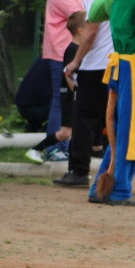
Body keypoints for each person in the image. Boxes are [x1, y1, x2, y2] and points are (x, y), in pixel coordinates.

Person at [56, 0, 115, 188]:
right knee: (110, 120)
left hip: (94, 65)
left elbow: (91, 31)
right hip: (116, 65)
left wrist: (76, 61)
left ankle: (79, 171)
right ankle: (112, 171)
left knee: (82, 118)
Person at [40, 0, 87, 154]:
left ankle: (64, 145)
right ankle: (52, 148)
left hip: (72, 52)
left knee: (69, 100)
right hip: (60, 52)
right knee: (60, 101)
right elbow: (80, 16)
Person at [25, 11, 85, 163]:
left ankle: (75, 164)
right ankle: (36, 149)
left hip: (73, 96)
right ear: (81, 30)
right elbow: (68, 74)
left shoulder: (79, 49)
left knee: (75, 131)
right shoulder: (73, 49)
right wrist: (77, 94)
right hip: (69, 97)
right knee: (65, 132)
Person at [15, 56, 53, 132]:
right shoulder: (62, 60)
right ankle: (51, 130)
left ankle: (32, 128)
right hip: (39, 108)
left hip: (20, 105)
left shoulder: (45, 56)